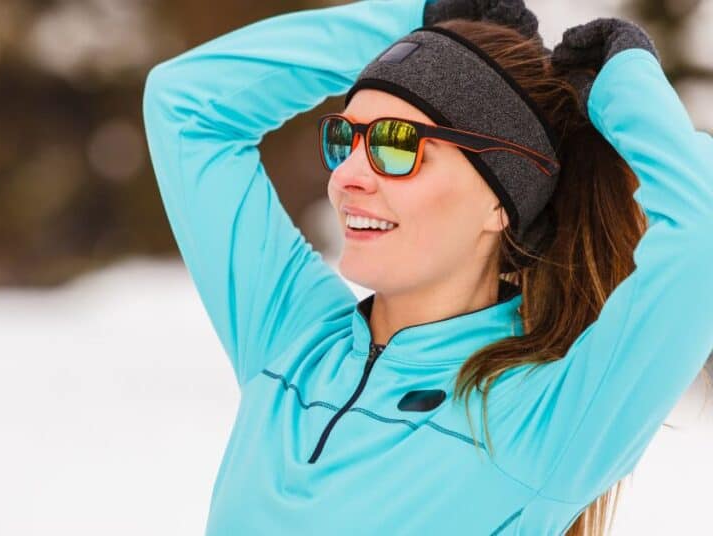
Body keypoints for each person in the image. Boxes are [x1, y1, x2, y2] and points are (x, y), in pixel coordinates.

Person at [141, 0, 713, 534]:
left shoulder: (536, 419)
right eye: (346, 138)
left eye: (397, 146)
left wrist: (622, 81)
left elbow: (701, 234)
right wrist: (422, 18)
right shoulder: (294, 342)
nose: (345, 177)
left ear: (499, 200)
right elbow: (184, 105)